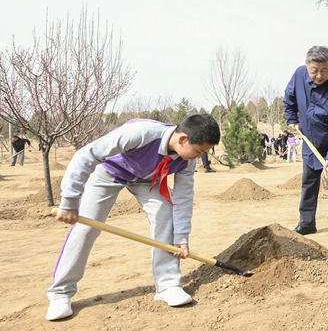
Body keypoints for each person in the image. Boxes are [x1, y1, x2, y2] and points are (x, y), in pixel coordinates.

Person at [46, 114, 220, 321]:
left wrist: (181, 237)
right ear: (183, 139)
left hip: (147, 180)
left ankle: (168, 286)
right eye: (199, 151)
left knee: (165, 214)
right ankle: (61, 293)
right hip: (109, 172)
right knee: (87, 227)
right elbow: (85, 155)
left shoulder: (187, 161)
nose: (199, 158)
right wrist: (69, 201)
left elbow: (183, 198)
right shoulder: (141, 133)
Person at [284, 46, 328, 246]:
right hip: (311, 139)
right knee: (308, 181)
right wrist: (291, 118)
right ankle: (307, 223)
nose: (319, 75)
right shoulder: (299, 75)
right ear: (307, 65)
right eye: (314, 70)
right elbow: (288, 98)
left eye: (324, 70)